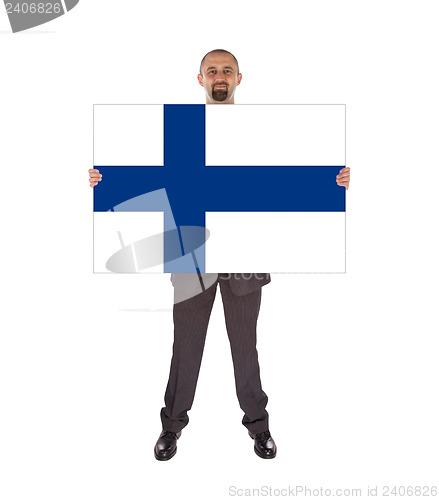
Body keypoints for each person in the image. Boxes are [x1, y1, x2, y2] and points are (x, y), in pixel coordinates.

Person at [88, 49, 351, 461]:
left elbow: (281, 180)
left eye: (227, 70)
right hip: (192, 261)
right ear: (201, 80)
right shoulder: (184, 133)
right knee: (186, 349)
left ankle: (258, 427)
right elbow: (155, 178)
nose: (219, 76)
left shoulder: (257, 134)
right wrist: (108, 181)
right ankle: (171, 427)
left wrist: (329, 182)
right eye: (212, 70)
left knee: (245, 350)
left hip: (243, 263)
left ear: (239, 78)